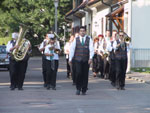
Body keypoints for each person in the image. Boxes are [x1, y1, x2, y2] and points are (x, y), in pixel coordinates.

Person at [69, 26, 94, 95]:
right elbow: (72, 49)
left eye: (83, 31)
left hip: (86, 60)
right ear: (79, 32)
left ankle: (84, 89)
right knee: (78, 73)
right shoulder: (76, 39)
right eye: (81, 31)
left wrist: (91, 58)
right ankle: (78, 88)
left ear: (85, 32)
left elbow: (91, 49)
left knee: (85, 75)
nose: (82, 32)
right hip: (77, 59)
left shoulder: (89, 39)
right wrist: (70, 58)